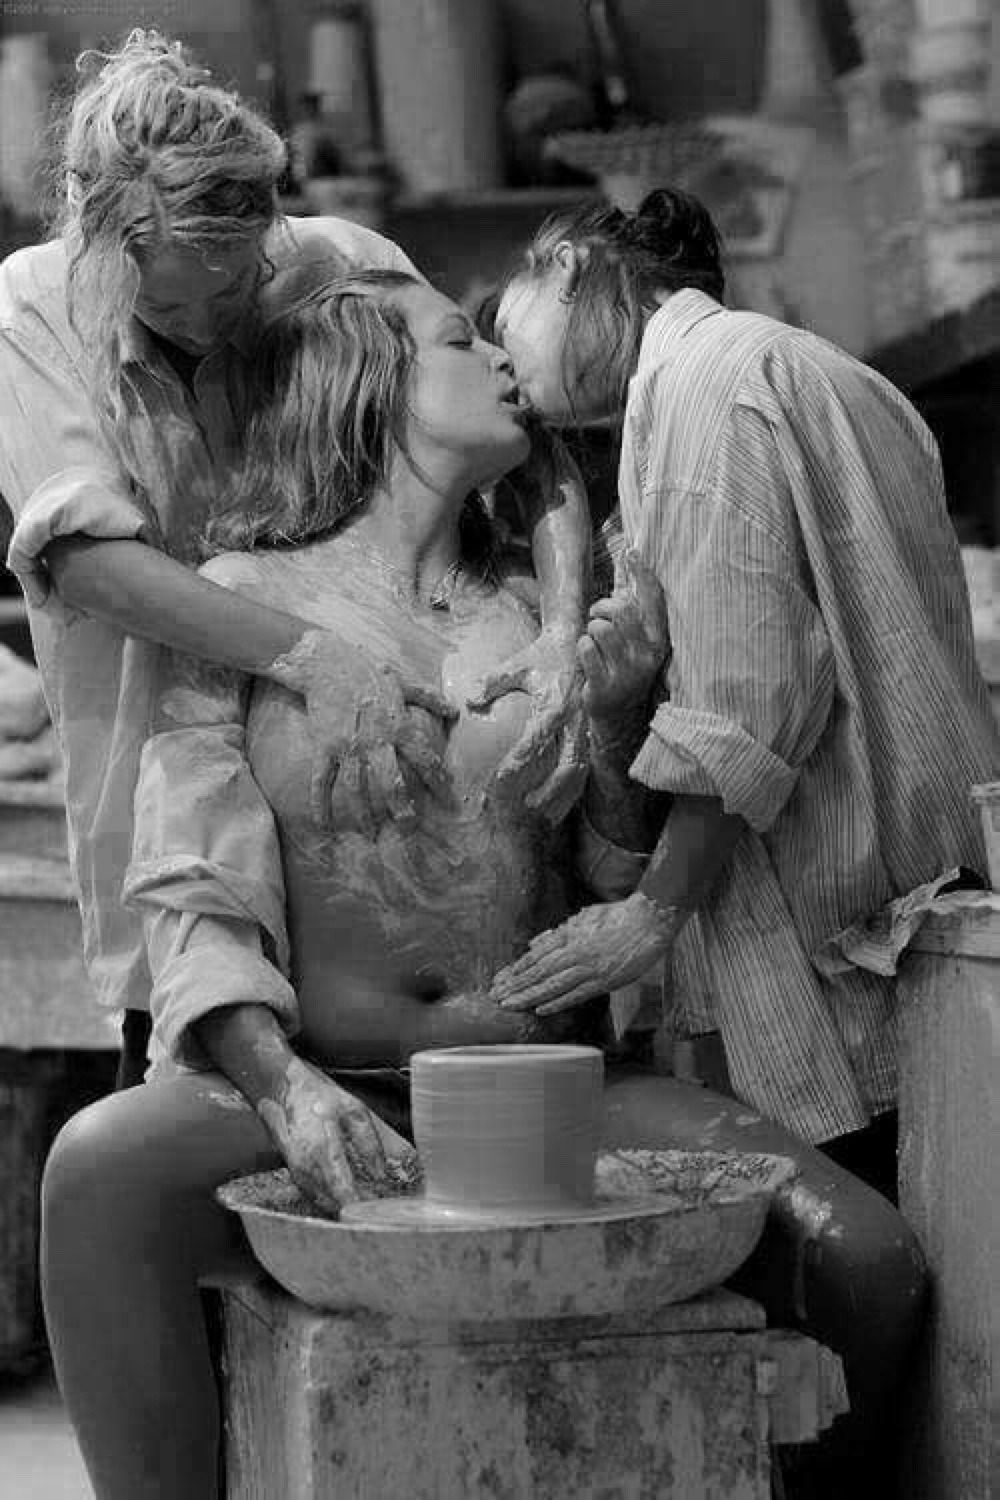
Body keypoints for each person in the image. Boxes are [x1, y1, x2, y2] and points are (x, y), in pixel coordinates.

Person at [42, 268, 925, 1500]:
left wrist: (614, 720)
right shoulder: (245, 601)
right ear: (369, 381)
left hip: (549, 1088)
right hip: (333, 1082)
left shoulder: (536, 615)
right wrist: (282, 1086)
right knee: (96, 1169)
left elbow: (608, 875)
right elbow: (195, 885)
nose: (504, 360)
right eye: (462, 339)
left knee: (868, 1260)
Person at [0, 29, 589, 1084]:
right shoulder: (36, 307)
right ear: (96, 246)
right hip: (173, 749)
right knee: (203, 1000)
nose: (204, 326)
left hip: (422, 826)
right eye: (167, 302)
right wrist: (317, 653)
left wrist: (562, 636)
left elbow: (517, 432)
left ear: (269, 218)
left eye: (233, 290)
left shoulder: (344, 262)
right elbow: (86, 561)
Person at [488, 189, 1000, 1192]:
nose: (507, 370)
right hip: (914, 900)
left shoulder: (705, 388)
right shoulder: (784, 367)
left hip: (852, 916)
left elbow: (746, 698)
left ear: (571, 268)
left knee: (890, 1239)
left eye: (506, 331)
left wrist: (652, 912)